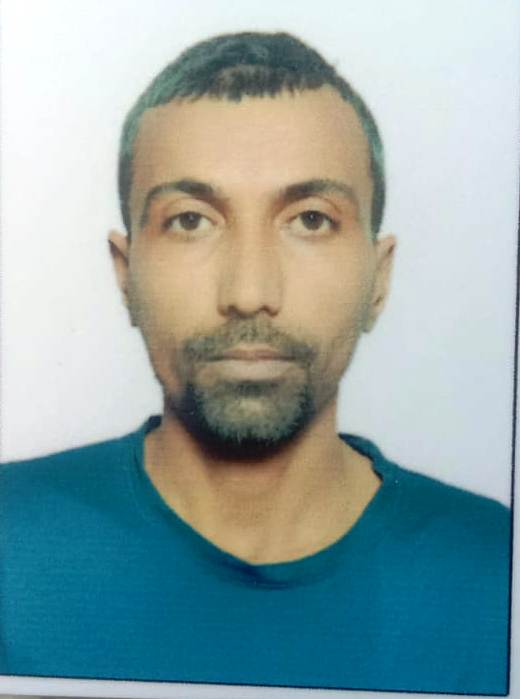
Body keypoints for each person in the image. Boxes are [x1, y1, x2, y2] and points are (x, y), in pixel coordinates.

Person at [0, 31, 511, 694]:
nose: (249, 292)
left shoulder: (498, 572)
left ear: (378, 280)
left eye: (311, 220)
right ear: (126, 276)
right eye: (191, 220)